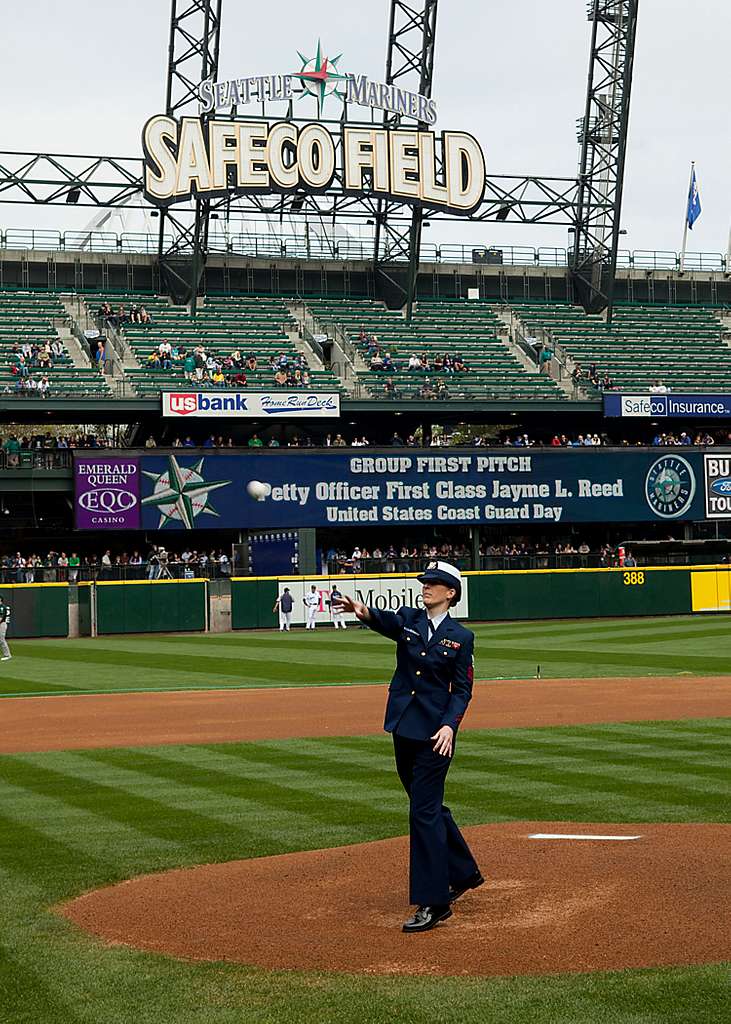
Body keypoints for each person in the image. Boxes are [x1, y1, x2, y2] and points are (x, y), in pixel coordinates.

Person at [332, 561, 482, 932]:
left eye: (434, 583)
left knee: (423, 813)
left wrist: (450, 726)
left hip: (435, 736)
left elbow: (462, 691)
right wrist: (361, 611)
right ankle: (463, 871)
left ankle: (434, 902)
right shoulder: (410, 620)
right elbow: (386, 621)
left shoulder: (461, 637)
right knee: (427, 806)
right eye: (425, 582)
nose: (426, 587)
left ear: (451, 593)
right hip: (403, 727)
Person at [0, 594, 11, 660]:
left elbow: (0, 618)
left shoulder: (2, 607)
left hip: (2, 624)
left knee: (1, 639)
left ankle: (7, 655)